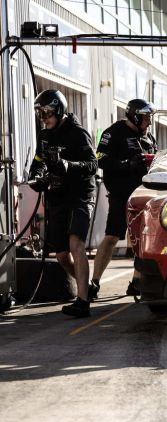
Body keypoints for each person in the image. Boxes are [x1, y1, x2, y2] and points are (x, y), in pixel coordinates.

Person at [28, 89, 98, 318]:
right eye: (40, 114)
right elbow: (38, 161)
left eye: (46, 112)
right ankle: (85, 286)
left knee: (75, 243)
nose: (43, 118)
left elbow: (92, 166)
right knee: (60, 255)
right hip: (57, 196)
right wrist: (35, 177)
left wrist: (68, 165)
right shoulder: (44, 136)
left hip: (80, 195)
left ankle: (83, 301)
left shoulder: (79, 134)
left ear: (59, 109)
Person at [90, 99, 157, 299]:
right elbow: (99, 159)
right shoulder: (113, 133)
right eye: (146, 118)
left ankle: (136, 282)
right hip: (121, 196)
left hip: (145, 195)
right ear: (135, 116)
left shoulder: (149, 137)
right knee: (111, 237)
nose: (149, 122)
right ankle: (94, 282)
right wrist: (127, 163)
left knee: (143, 241)